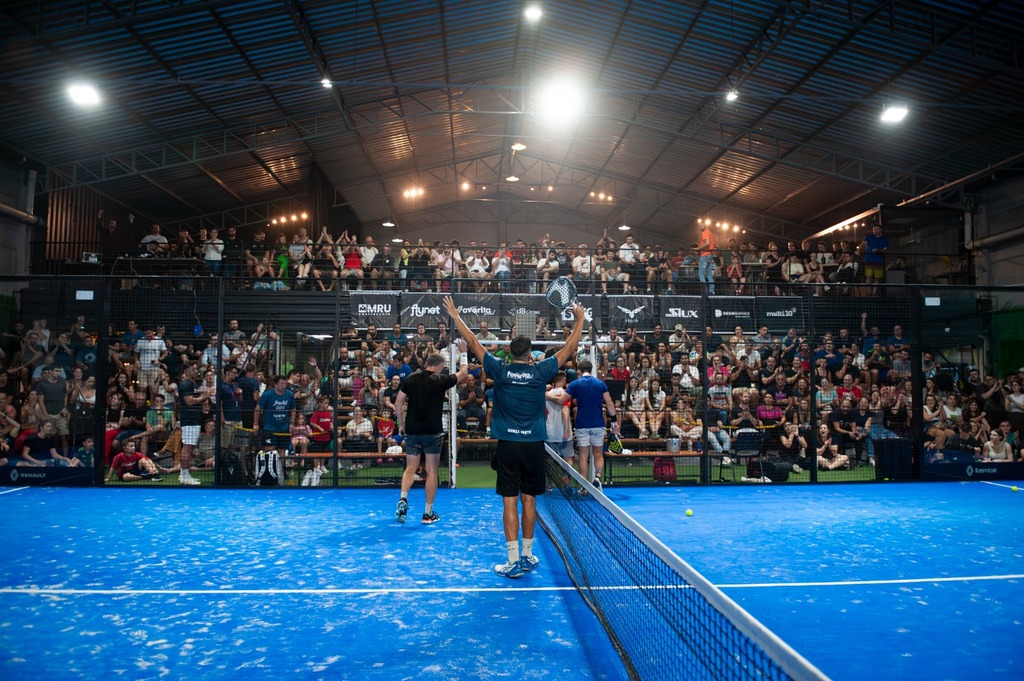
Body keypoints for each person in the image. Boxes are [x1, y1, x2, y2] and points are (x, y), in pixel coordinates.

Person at [444, 295, 584, 579]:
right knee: (529, 500)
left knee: (509, 501)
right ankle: (528, 555)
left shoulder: (501, 368)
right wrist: (580, 319)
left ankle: (512, 561)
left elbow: (473, 342)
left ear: (510, 353)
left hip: (508, 446)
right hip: (534, 446)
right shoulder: (540, 370)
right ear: (530, 354)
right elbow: (569, 349)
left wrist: (456, 316)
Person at [393, 343, 468, 524]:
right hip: (432, 432)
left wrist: (401, 425)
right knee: (432, 470)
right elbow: (464, 374)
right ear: (440, 366)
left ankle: (403, 498)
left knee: (411, 468)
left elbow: (397, 403)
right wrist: (464, 353)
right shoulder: (440, 380)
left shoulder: (411, 378)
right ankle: (428, 513)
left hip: (412, 430)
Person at [565, 359, 617, 485]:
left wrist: (548, 395)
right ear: (591, 370)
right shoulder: (600, 384)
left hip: (582, 424)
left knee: (583, 456)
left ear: (579, 371)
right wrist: (614, 420)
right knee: (598, 454)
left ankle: (584, 486)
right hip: (598, 424)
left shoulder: (575, 384)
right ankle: (597, 477)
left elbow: (563, 399)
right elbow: (609, 403)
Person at [175, 363, 207, 485]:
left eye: (196, 368)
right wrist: (204, 397)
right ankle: (184, 476)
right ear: (186, 371)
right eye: (193, 369)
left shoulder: (193, 384)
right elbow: (189, 402)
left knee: (190, 447)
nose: (196, 370)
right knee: (187, 447)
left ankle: (184, 474)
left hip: (195, 419)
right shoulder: (185, 384)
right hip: (188, 420)